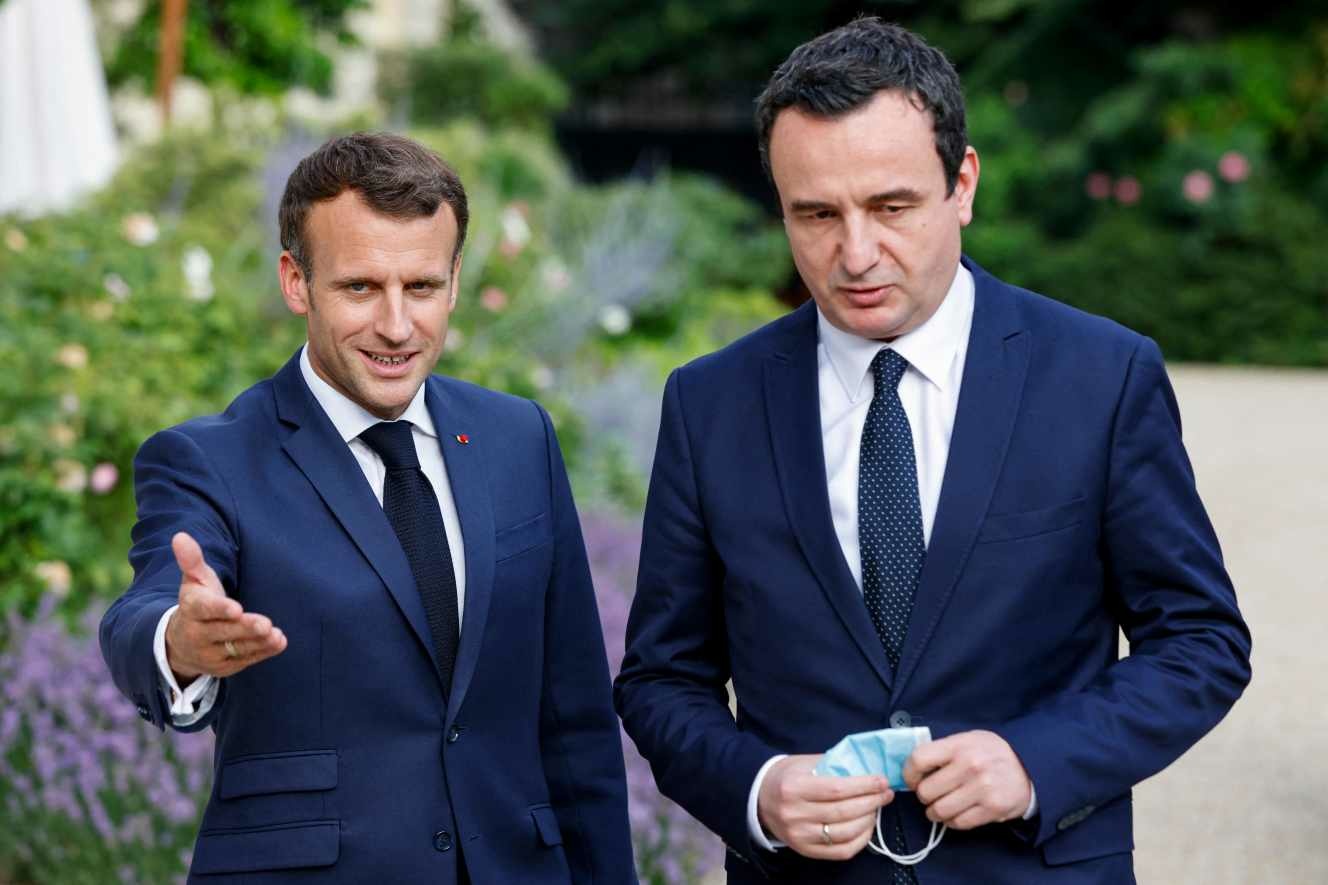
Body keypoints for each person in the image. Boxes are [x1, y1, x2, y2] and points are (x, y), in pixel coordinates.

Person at [614, 17, 1251, 885]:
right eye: (816, 214)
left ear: (963, 184)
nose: (855, 253)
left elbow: (1201, 640)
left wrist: (1035, 761)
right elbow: (660, 678)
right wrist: (758, 789)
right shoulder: (709, 401)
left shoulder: (1101, 377)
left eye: (891, 207)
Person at [100, 132, 635, 884]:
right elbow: (143, 610)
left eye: (421, 287)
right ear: (296, 282)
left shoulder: (520, 437)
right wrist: (178, 643)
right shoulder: (208, 460)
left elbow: (575, 718)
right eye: (360, 288)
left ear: (455, 281)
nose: (396, 325)